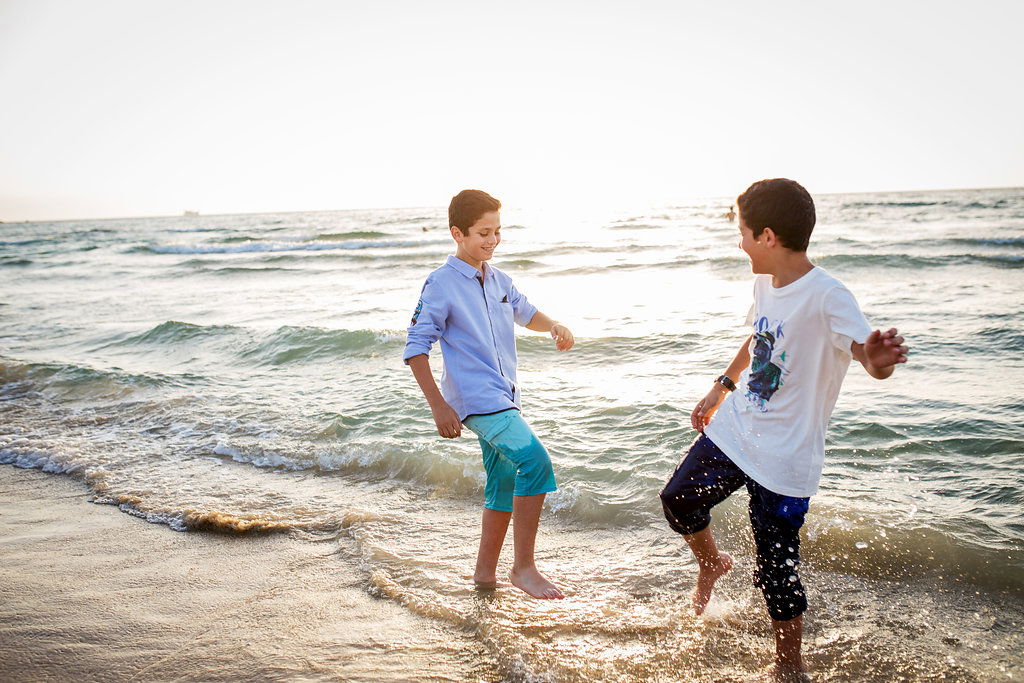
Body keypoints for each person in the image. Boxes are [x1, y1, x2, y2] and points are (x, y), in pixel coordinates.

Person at [660, 178, 908, 678]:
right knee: (679, 499)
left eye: (745, 233)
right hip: (737, 430)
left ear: (768, 236)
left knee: (776, 568)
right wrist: (721, 386)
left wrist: (878, 361)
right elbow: (758, 337)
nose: (740, 242)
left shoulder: (829, 295)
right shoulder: (764, 283)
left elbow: (865, 353)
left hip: (786, 459)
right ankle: (711, 562)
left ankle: (788, 665)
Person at [404, 189, 574, 600]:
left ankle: (484, 577)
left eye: (497, 231)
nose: (492, 240)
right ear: (457, 233)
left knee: (500, 482)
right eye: (483, 232)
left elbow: (526, 312)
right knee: (534, 461)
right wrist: (439, 406)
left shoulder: (499, 279)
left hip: (505, 395)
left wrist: (553, 326)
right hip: (475, 400)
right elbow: (415, 348)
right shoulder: (441, 283)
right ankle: (524, 567)